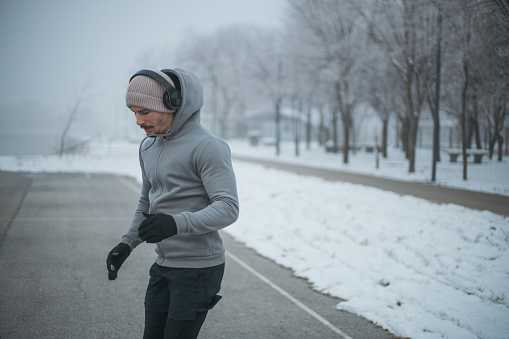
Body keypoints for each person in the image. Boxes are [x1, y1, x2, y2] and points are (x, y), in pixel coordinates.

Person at [106, 68, 239, 339]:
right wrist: (127, 243)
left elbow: (228, 207)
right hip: (163, 266)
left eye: (144, 111)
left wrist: (176, 223)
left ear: (174, 104)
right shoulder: (148, 147)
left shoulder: (208, 147)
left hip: (199, 269)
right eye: (133, 112)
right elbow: (147, 201)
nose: (137, 121)